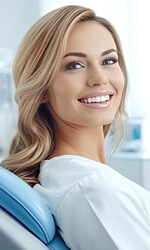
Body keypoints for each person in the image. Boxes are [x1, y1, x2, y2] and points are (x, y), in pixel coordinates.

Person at [1, 5, 150, 250]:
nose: (100, 78)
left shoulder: (72, 177)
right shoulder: (92, 187)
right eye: (75, 65)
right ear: (41, 89)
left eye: (109, 60)